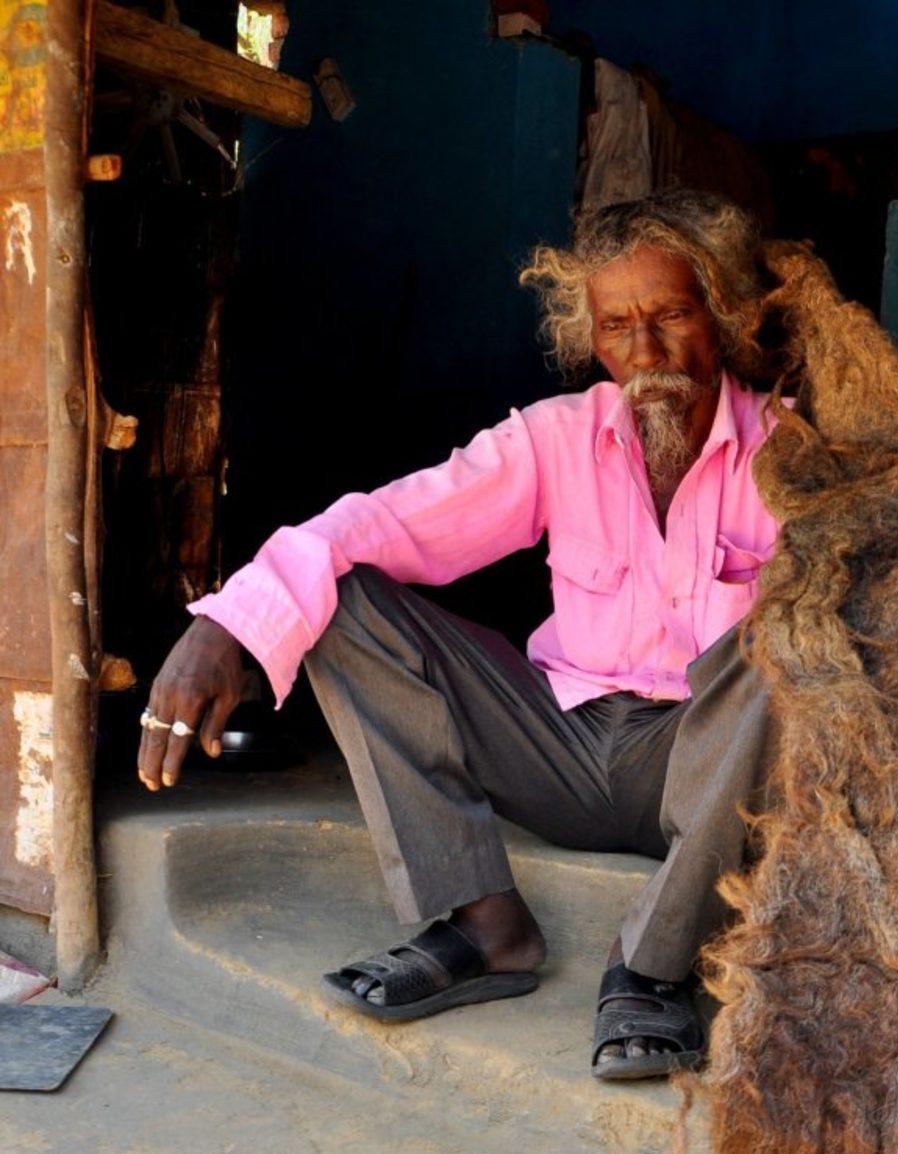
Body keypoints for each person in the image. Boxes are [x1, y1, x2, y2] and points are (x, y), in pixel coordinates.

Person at [136, 192, 806, 1079]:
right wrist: (225, 625)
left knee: (796, 643)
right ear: (590, 339)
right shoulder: (555, 439)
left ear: (717, 314)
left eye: (672, 315)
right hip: (557, 741)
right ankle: (486, 924)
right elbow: (377, 524)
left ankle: (652, 964)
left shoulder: (789, 453)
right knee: (341, 592)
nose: (646, 353)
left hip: (699, 767)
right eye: (617, 325)